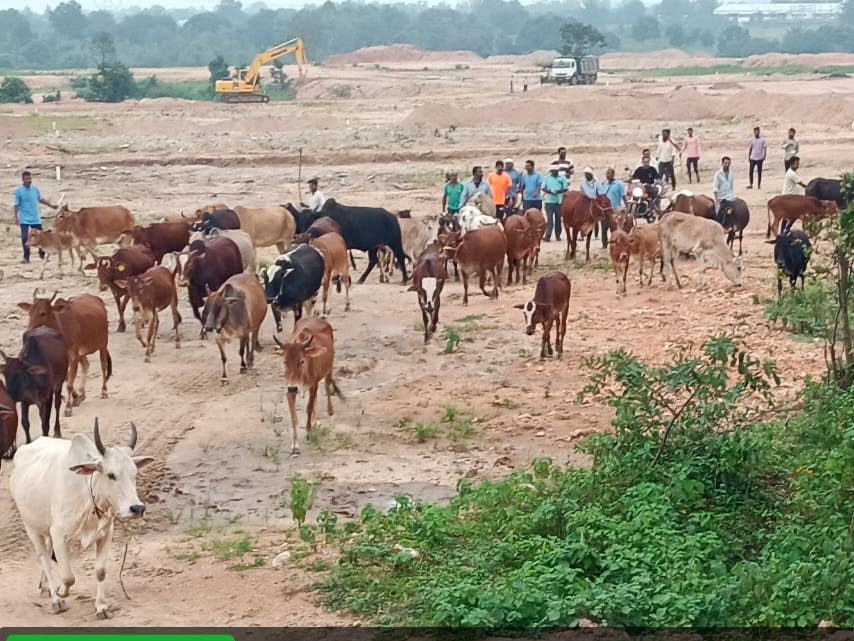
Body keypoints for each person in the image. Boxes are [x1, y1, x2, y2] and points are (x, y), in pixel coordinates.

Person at [14, 170, 56, 264]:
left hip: (35, 218)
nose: (29, 180)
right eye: (27, 179)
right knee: (25, 238)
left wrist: (51, 205)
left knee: (41, 237)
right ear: (22, 179)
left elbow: (40, 199)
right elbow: (16, 205)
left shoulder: (35, 189)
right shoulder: (19, 191)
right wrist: (16, 217)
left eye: (30, 178)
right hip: (24, 219)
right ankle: (26, 257)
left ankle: (42, 255)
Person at [598, 167, 626, 249]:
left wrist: (626, 207)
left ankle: (615, 244)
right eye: (607, 173)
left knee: (614, 229)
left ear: (613, 174)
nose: (608, 175)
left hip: (615, 210)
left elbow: (623, 196)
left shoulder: (619, 184)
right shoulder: (604, 185)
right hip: (605, 210)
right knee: (604, 228)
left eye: (609, 173)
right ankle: (604, 245)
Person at [542, 166, 568, 242]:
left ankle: (558, 235)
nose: (554, 172)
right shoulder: (547, 178)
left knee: (558, 220)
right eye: (553, 171)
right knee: (550, 220)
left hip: (559, 201)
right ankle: (548, 235)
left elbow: (566, 188)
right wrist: (550, 191)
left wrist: (558, 191)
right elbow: (543, 188)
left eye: (556, 171)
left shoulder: (562, 178)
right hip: (549, 201)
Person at [713, 156, 735, 224]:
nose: (727, 165)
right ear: (722, 163)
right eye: (725, 163)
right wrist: (717, 200)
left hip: (730, 198)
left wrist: (732, 196)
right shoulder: (718, 174)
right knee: (718, 216)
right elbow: (715, 188)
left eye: (728, 163)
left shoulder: (731, 174)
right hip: (721, 198)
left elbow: (731, 186)